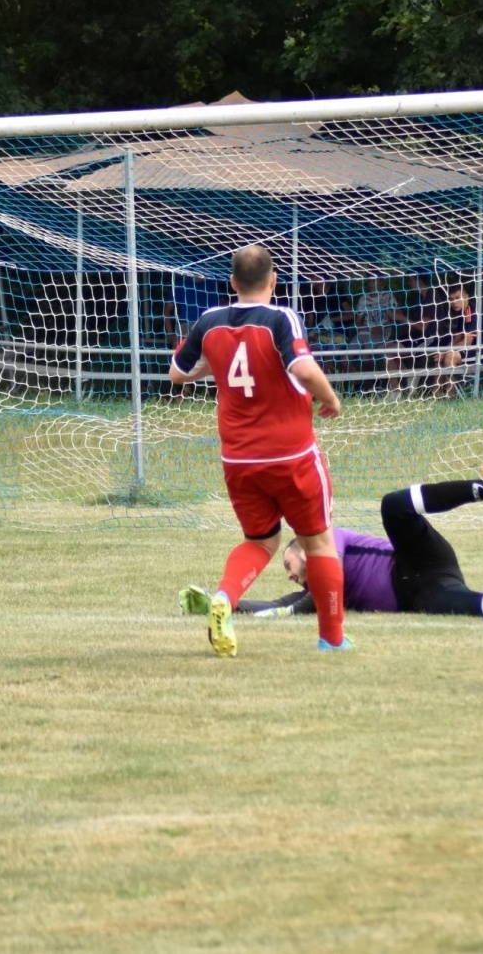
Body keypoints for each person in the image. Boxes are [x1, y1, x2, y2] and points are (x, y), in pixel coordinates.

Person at [170, 244, 350, 656]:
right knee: (319, 544)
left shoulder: (209, 321)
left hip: (239, 459)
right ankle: (332, 638)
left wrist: (213, 366)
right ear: (273, 280)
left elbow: (177, 373)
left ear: (232, 282)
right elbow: (302, 368)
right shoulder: (280, 317)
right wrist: (330, 398)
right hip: (291, 455)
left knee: (261, 541)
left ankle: (225, 597)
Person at [188, 459, 483, 622]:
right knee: (465, 605)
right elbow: (280, 604)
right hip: (417, 595)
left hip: (416, 558)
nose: (288, 574)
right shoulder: (319, 591)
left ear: (304, 548)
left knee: (393, 506)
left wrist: (289, 612)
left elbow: (315, 591)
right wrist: (226, 603)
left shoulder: (329, 542)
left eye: (288, 563)